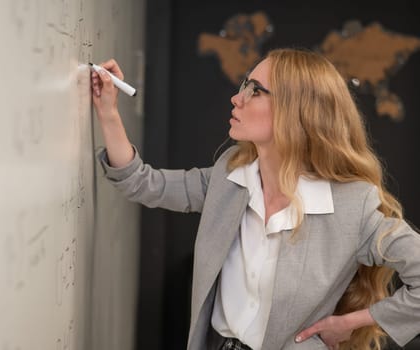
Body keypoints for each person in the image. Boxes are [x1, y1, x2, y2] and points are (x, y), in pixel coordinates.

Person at [90, 48, 420, 350]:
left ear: (297, 111)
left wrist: (350, 322)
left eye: (255, 91)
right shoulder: (230, 176)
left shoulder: (353, 206)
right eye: (245, 85)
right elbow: (143, 183)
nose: (237, 98)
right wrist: (108, 112)